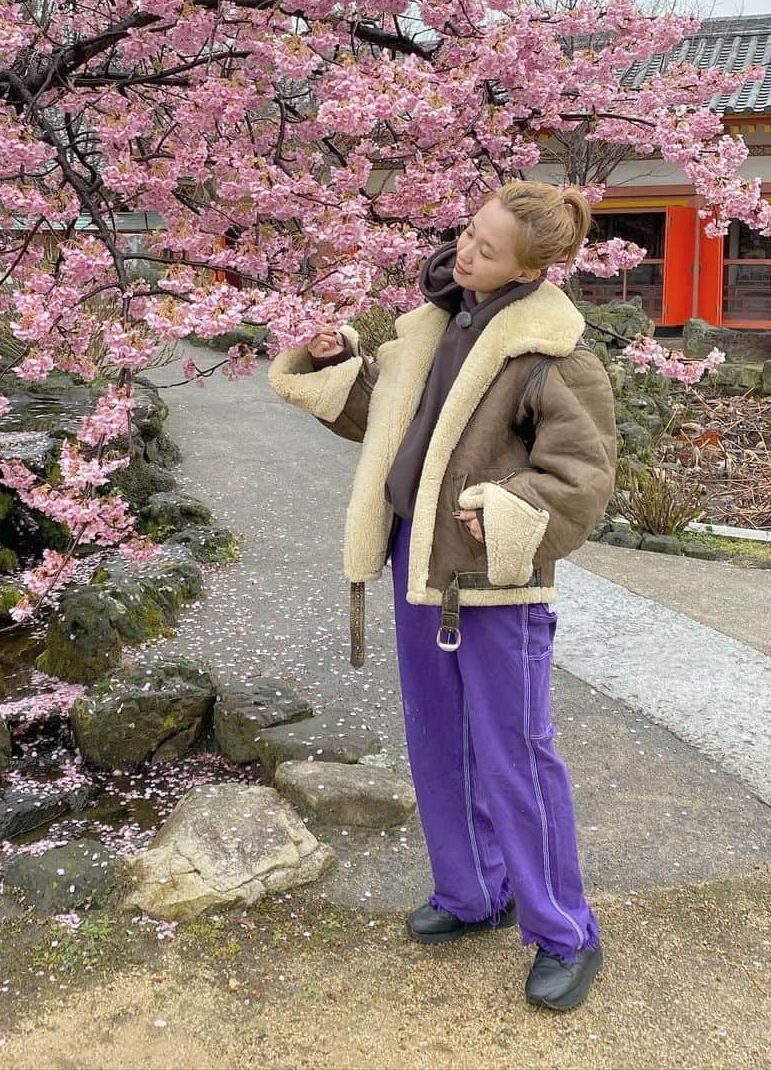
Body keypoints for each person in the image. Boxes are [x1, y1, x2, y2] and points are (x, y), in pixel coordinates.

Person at [266, 181, 617, 1012]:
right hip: (417, 567)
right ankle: (473, 895)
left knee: (515, 755)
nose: (465, 253)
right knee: (437, 744)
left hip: (496, 589)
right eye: (467, 233)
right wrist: (333, 362)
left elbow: (582, 478)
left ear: (533, 269)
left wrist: (508, 509)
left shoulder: (552, 354)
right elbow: (384, 422)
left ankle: (565, 931)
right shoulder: (437, 325)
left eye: (486, 249)